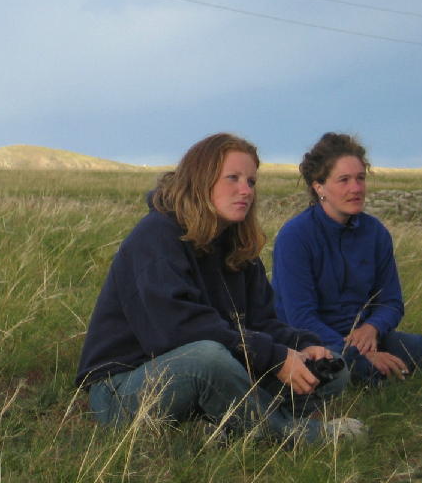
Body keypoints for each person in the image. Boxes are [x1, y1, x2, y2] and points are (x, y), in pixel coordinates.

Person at [76, 133, 361, 444]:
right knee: (209, 359)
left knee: (333, 369)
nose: (246, 190)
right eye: (232, 178)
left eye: (251, 182)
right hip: (124, 387)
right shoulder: (156, 237)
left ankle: (223, 422)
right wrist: (276, 357)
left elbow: (262, 323)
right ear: (201, 180)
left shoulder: (237, 245)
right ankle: (292, 434)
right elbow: (177, 333)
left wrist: (302, 345)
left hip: (214, 368)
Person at [272, 132, 422, 396]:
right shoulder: (295, 237)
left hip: (367, 339)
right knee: (360, 369)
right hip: (315, 344)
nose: (356, 188)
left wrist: (372, 328)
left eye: (360, 178)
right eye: (344, 180)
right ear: (319, 186)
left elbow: (391, 302)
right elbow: (301, 319)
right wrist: (356, 353)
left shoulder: (374, 233)